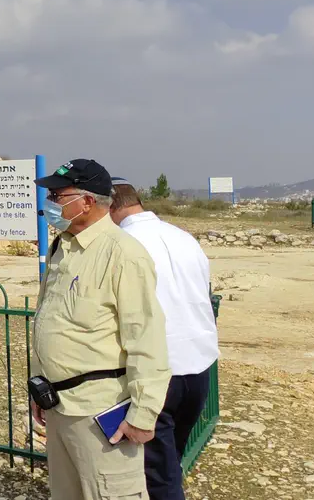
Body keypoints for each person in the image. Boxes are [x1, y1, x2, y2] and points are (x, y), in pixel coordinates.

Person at [31, 159, 171, 500]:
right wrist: (39, 385)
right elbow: (52, 321)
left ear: (87, 202)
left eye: (57, 196)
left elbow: (147, 340)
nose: (49, 203)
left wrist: (142, 415)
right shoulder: (62, 247)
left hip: (99, 411)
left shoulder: (123, 254)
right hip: (59, 406)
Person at [110, 178, 219, 500]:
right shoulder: (184, 237)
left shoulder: (123, 244)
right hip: (197, 366)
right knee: (172, 457)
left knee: (156, 474)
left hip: (157, 371)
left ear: (110, 207)